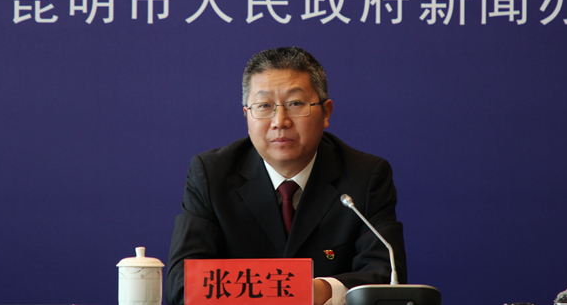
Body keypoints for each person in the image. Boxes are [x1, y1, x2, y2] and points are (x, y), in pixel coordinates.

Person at [165, 46, 406, 305]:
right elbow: (182, 284)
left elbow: (387, 278)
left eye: (295, 104)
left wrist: (319, 290)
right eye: (264, 106)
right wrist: (290, 290)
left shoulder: (366, 177)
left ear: (326, 112)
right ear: (247, 115)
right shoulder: (211, 174)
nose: (280, 121)